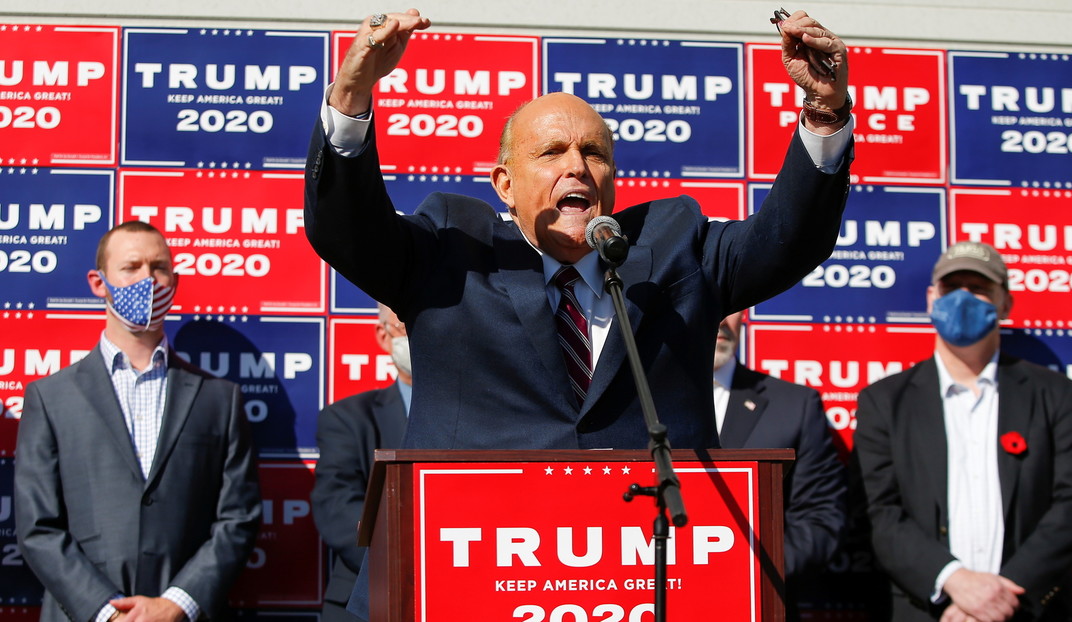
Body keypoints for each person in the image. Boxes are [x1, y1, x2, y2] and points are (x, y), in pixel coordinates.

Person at [305, 8, 853, 451]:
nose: (576, 167)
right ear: (504, 184)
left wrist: (825, 112)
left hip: (647, 564)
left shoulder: (677, 246)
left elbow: (789, 240)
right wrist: (351, 99)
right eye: (551, 153)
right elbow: (347, 231)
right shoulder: (451, 248)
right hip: (468, 560)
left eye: (593, 153)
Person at [15, 221, 262, 622]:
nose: (148, 279)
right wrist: (104, 611)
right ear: (99, 283)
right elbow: (37, 526)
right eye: (131, 267)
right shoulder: (50, 398)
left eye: (159, 267)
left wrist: (177, 603)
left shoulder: (220, 399)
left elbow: (238, 517)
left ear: (175, 281)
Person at [852, 241, 1072, 621]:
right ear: (932, 299)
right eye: (952, 289)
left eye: (980, 288)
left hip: (1030, 610)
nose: (964, 299)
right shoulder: (884, 402)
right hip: (929, 611)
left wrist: (999, 596)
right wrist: (953, 581)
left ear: (1005, 303)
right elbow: (879, 513)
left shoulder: (1055, 394)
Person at [713, 310, 847, 617]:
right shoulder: (635, 402)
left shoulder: (794, 406)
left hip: (763, 604)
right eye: (708, 299)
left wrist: (747, 569)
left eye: (730, 303)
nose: (721, 317)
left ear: (744, 314)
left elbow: (822, 518)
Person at [311, 304, 410, 622]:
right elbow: (337, 509)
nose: (423, 336)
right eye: (408, 325)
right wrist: (419, 560)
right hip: (366, 602)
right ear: (384, 336)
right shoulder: (347, 419)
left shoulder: (485, 420)